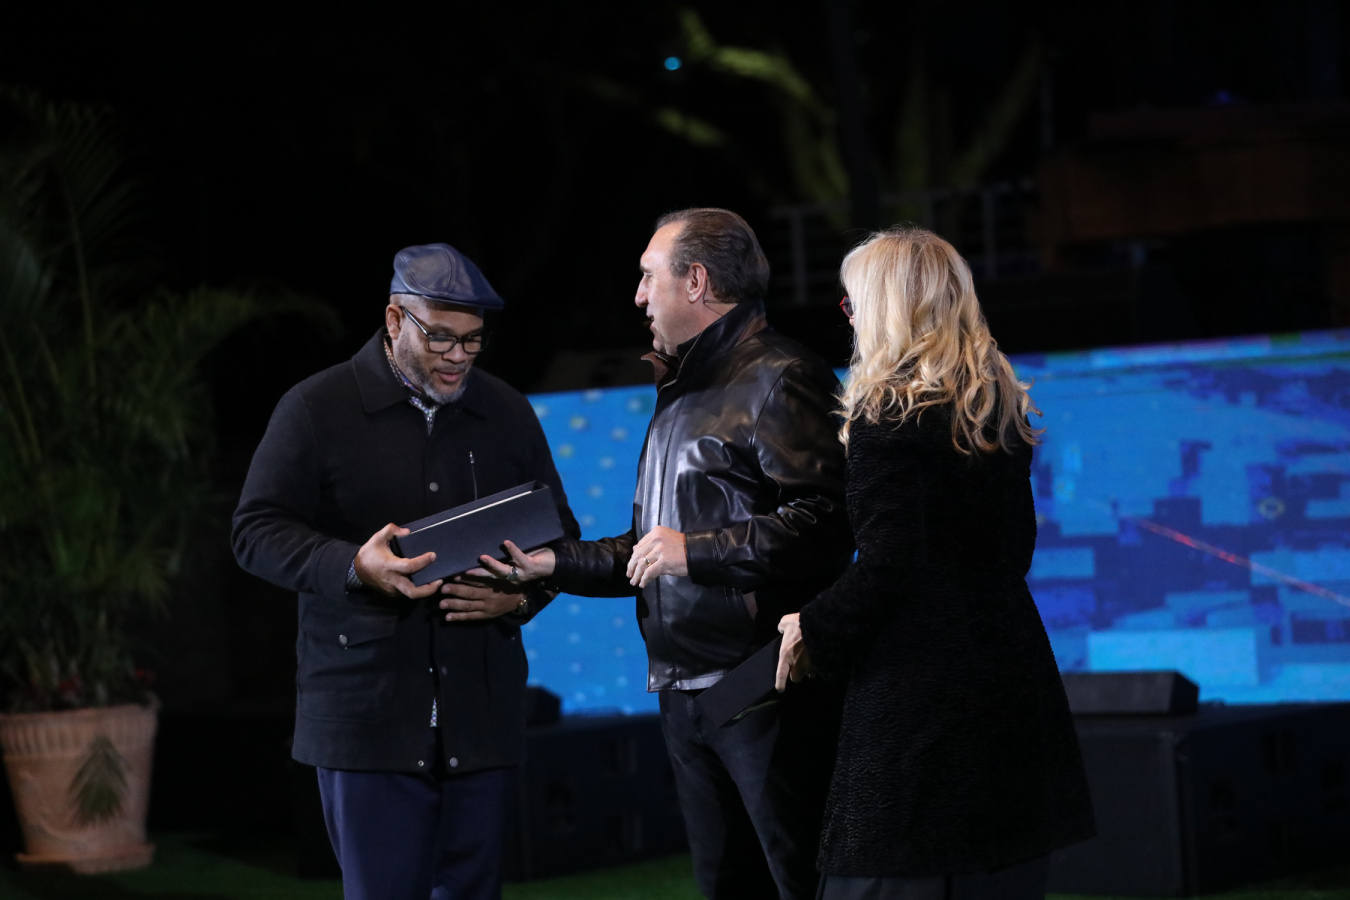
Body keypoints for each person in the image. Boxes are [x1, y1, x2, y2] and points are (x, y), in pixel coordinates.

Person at [474, 208, 853, 899]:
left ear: (696, 281)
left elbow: (828, 523)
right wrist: (551, 564)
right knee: (727, 886)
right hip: (686, 694)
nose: (639, 295)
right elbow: (648, 550)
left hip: (767, 687)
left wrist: (695, 552)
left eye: (649, 276)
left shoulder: (781, 374)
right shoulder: (682, 390)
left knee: (805, 883)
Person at [231, 243, 579, 900]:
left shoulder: (505, 410)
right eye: (441, 337)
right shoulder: (316, 407)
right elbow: (254, 532)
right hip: (367, 721)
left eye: (473, 340)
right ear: (394, 320)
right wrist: (352, 566)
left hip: (482, 717)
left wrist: (521, 600)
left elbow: (560, 536)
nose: (459, 356)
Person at [775, 226, 1095, 900]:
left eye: (853, 300)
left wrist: (812, 625)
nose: (848, 316)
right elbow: (1015, 552)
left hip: (918, 711)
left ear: (888, 306)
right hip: (1008, 683)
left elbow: (890, 565)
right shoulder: (995, 404)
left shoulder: (886, 412)